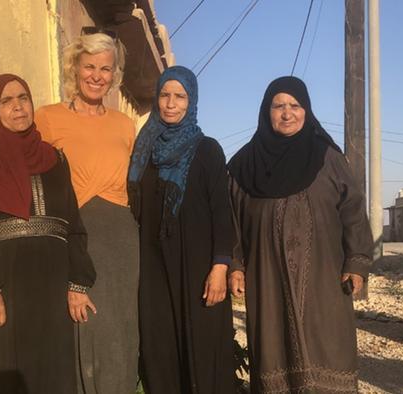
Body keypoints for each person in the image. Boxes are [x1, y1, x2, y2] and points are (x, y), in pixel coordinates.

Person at [227, 76, 373, 393]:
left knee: (327, 345)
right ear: (266, 112)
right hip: (266, 278)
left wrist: (357, 261)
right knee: (272, 347)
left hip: (324, 276)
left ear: (307, 111)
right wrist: (236, 263)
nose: (287, 113)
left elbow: (353, 209)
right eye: (278, 106)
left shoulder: (328, 158)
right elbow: (231, 219)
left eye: (295, 105)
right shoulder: (243, 165)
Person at [0, 74, 96, 393]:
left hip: (52, 282)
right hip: (6, 282)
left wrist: (78, 282)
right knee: (7, 370)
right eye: (6, 101)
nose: (18, 107)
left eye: (23, 98)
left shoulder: (54, 158)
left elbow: (72, 225)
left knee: (52, 371)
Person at [34, 30, 139, 393]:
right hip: (72, 234)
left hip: (121, 239)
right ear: (74, 69)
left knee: (119, 331)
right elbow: (35, 184)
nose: (97, 75)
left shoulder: (125, 126)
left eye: (106, 69)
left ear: (114, 76)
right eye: (90, 66)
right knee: (78, 326)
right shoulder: (47, 119)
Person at [128, 65, 237, 393]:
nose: (171, 103)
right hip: (155, 268)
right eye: (164, 95)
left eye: (180, 96)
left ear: (192, 101)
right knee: (160, 347)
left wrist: (220, 266)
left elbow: (222, 211)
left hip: (198, 269)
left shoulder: (207, 150)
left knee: (202, 349)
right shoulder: (143, 151)